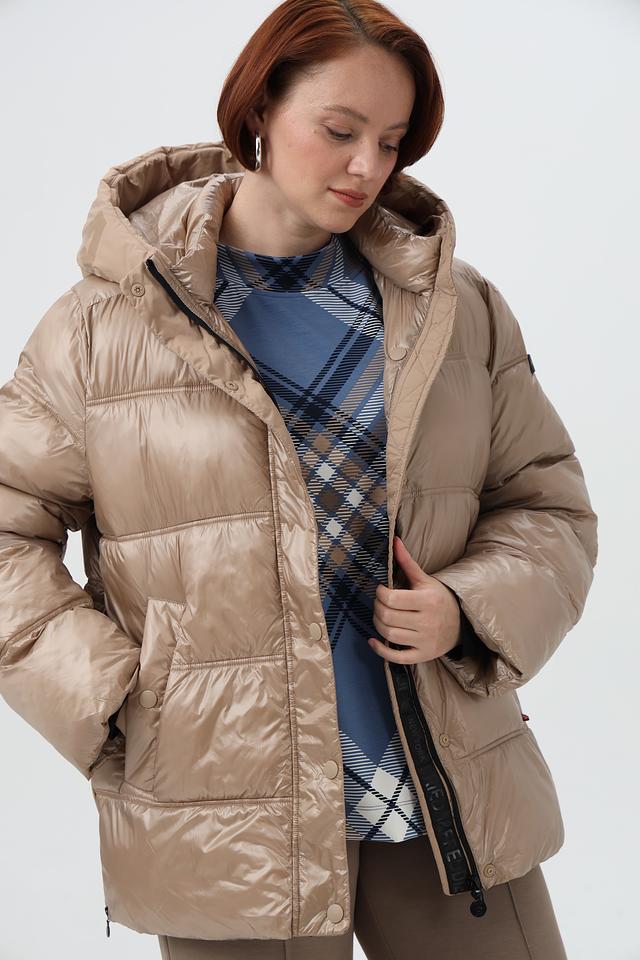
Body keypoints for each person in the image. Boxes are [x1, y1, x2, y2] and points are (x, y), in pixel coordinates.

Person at [0, 0, 598, 958]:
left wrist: (468, 608)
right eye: (340, 130)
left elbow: (546, 501)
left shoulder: (455, 310)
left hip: (445, 785)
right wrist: (116, 700)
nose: (367, 166)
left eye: (392, 141)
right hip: (226, 807)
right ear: (259, 111)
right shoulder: (102, 327)